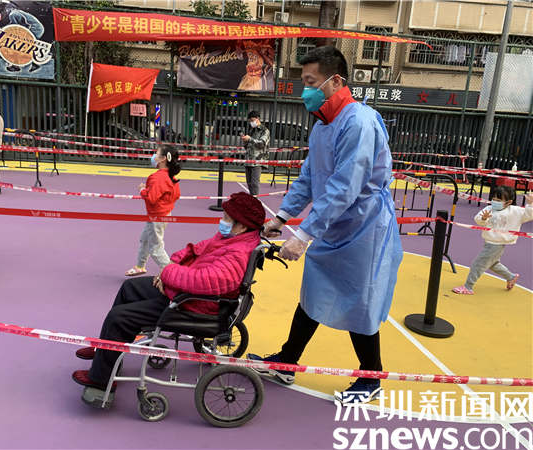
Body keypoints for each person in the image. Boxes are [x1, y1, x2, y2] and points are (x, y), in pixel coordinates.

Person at [246, 46, 403, 405]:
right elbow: (309, 178)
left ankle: (371, 377)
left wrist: (303, 236)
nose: (305, 90)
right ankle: (287, 361)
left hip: (363, 228)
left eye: (310, 81)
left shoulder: (358, 122)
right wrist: (282, 217)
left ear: (335, 81)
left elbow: (345, 185)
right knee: (313, 294)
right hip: (334, 226)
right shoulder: (322, 125)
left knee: (360, 303)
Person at [72, 192, 266, 403]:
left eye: (227, 218)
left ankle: (101, 380)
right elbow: (196, 249)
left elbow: (205, 281)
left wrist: (167, 273)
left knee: (118, 317)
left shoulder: (237, 254)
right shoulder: (231, 238)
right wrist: (173, 264)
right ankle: (107, 351)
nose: (223, 221)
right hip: (185, 293)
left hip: (194, 305)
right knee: (130, 288)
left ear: (242, 226)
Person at [453, 187, 533, 295]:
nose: (495, 202)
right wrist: (484, 218)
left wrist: (530, 204)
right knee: (492, 263)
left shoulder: (515, 211)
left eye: (499, 200)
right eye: (494, 199)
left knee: (478, 264)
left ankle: (468, 287)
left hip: (497, 244)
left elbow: (529, 215)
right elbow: (478, 220)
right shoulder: (489, 208)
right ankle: (511, 277)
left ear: (508, 202)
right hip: (489, 241)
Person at [125, 145, 182, 277]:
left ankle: (174, 273)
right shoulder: (171, 176)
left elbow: (151, 198)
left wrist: (142, 190)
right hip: (163, 214)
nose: (154, 156)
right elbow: (176, 195)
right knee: (145, 239)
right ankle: (140, 265)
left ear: (163, 158)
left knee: (155, 248)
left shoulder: (157, 177)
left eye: (156, 153)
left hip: (157, 216)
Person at [241, 111, 270, 196]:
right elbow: (247, 146)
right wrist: (245, 141)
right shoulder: (252, 131)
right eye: (250, 121)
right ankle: (251, 198)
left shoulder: (265, 131)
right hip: (248, 159)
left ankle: (255, 199)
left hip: (257, 160)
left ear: (258, 119)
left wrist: (249, 139)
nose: (251, 123)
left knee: (255, 182)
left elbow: (262, 143)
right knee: (249, 182)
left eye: (252, 120)